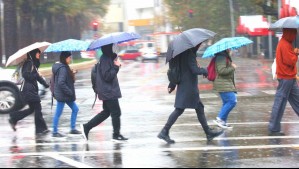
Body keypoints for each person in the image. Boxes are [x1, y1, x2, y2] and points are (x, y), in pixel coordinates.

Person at [158, 44, 224, 144]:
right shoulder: (189, 53)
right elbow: (194, 70)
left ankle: (208, 132)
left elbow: (176, 68)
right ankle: (164, 131)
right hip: (189, 86)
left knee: (198, 108)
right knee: (179, 109)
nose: (200, 45)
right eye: (199, 44)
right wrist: (205, 70)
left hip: (184, 85)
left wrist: (172, 84)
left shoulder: (181, 53)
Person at [81, 44, 128, 141]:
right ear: (108, 48)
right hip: (108, 91)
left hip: (107, 91)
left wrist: (114, 60)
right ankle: (116, 135)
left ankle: (87, 127)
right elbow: (107, 76)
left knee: (106, 112)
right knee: (116, 112)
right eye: (111, 47)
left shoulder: (106, 58)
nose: (112, 48)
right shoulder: (105, 59)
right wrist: (116, 67)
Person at [8, 49, 50, 135]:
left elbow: (37, 77)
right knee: (38, 108)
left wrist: (45, 84)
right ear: (33, 54)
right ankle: (40, 129)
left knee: (32, 109)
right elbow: (25, 75)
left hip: (30, 89)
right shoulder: (29, 63)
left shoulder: (33, 64)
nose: (39, 54)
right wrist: (35, 74)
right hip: (28, 90)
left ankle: (14, 118)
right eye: (38, 53)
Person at [269, 28, 299, 136]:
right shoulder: (285, 44)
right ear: (289, 33)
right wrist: (296, 54)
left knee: (297, 100)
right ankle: (273, 128)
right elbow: (290, 61)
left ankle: (274, 127)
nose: (295, 36)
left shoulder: (285, 43)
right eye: (294, 33)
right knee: (280, 102)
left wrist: (294, 52)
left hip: (289, 77)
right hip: (286, 77)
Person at [51, 51, 81, 137]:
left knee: (75, 109)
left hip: (65, 94)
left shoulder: (64, 67)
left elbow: (64, 78)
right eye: (69, 57)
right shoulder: (63, 68)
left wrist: (72, 73)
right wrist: (69, 91)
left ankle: (73, 129)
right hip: (63, 94)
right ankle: (54, 132)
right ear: (65, 58)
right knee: (58, 113)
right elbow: (61, 82)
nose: (70, 59)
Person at [213, 50, 237, 129]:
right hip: (222, 83)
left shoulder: (224, 56)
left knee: (226, 102)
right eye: (229, 48)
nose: (230, 49)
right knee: (232, 101)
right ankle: (220, 118)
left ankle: (223, 122)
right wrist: (232, 67)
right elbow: (221, 71)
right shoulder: (221, 57)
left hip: (225, 83)